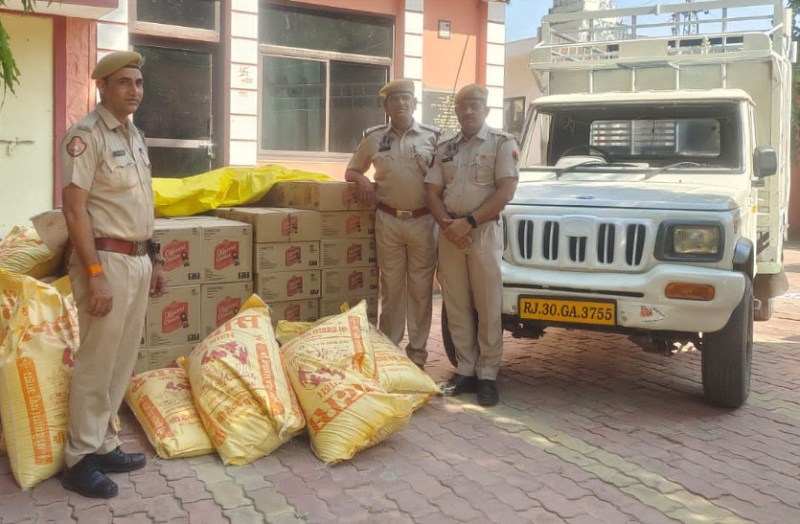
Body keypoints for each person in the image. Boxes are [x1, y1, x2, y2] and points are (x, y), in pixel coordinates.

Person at [60, 51, 166, 498]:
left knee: (122, 359)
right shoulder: (86, 136)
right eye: (124, 82)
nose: (134, 90)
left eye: (139, 83)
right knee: (96, 361)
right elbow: (74, 208)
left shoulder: (135, 136)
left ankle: (104, 444)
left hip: (138, 262)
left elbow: (143, 203)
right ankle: (79, 458)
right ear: (102, 86)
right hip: (107, 262)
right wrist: (95, 274)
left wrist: (155, 258)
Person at [425, 83, 519, 406]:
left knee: (488, 304)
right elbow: (432, 192)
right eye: (463, 106)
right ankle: (465, 370)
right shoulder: (446, 147)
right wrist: (448, 225)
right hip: (451, 233)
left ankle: (488, 374)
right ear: (456, 111)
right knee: (456, 304)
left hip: (483, 232)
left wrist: (470, 222)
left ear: (486, 110)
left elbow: (505, 192)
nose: (468, 111)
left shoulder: (501, 144)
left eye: (474, 106)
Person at [345, 79, 440, 369]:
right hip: (388, 219)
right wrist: (360, 177)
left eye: (406, 99)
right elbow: (351, 169)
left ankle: (418, 355)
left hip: (424, 221)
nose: (400, 103)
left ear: (414, 103)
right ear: (386, 106)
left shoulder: (434, 137)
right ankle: (388, 353)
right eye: (394, 99)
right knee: (391, 287)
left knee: (422, 289)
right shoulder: (373, 138)